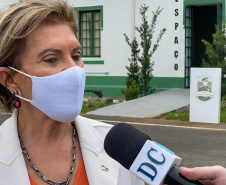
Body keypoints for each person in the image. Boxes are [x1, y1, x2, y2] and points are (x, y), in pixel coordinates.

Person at [0, 1, 144, 185]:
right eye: (52, 59)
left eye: (76, 56)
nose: (73, 70)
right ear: (10, 80)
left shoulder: (122, 150)